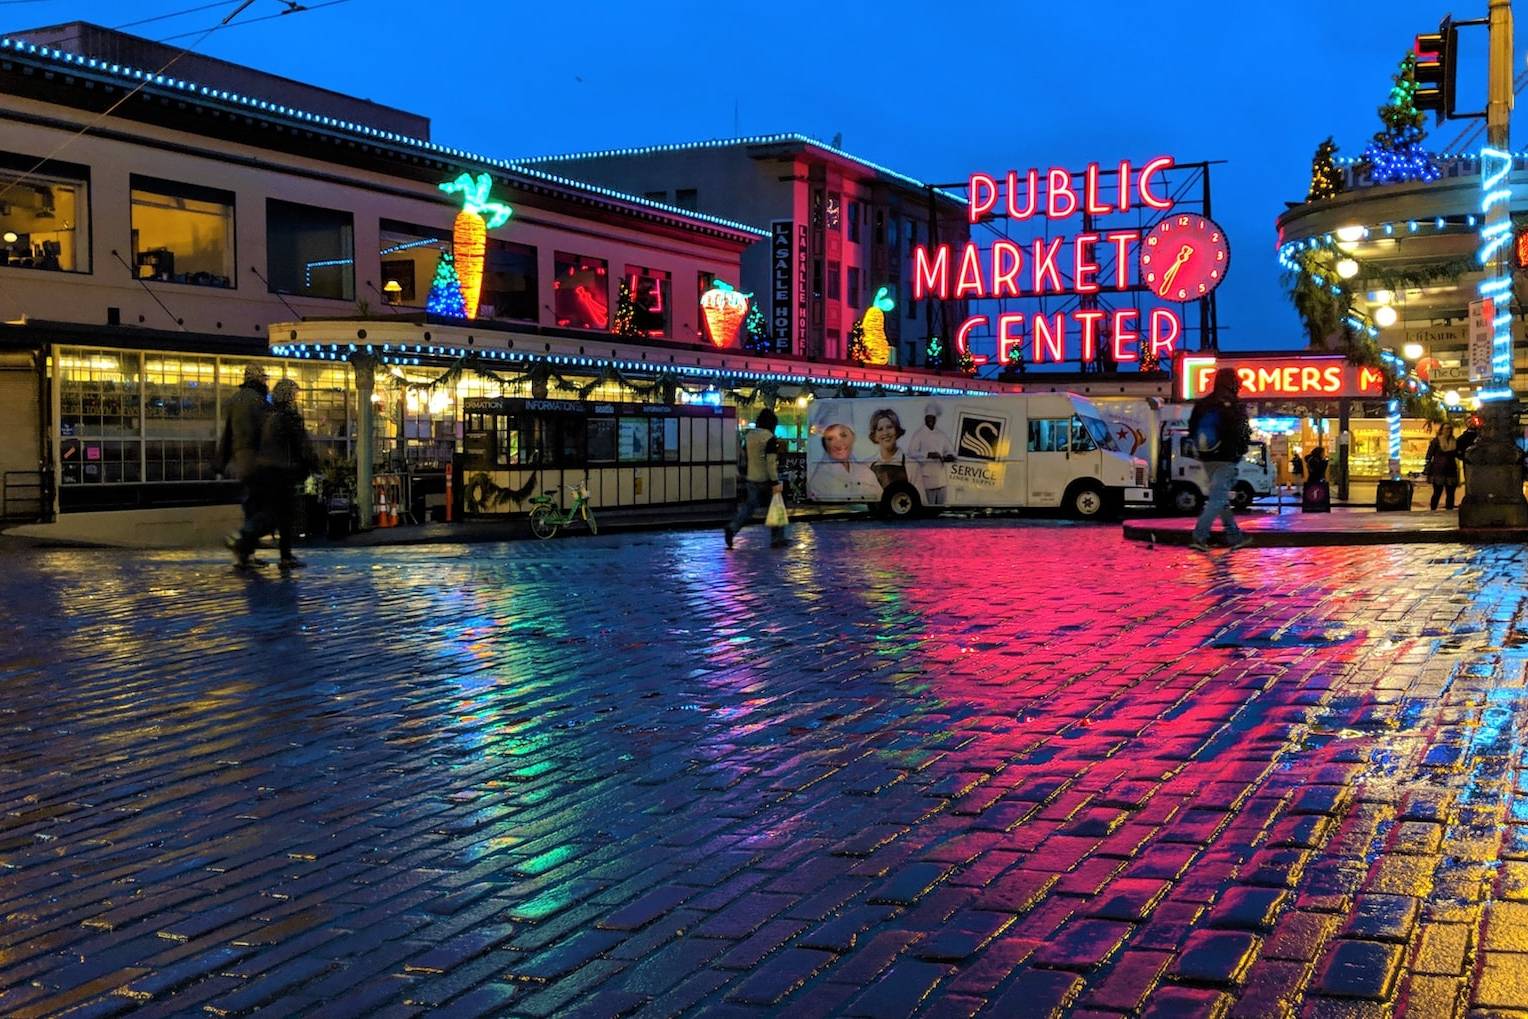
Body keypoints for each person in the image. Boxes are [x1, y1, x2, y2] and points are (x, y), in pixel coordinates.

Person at [250, 378, 318, 569]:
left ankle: (249, 544)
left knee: (274, 513)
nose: (296, 398)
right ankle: (284, 556)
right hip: (284, 471)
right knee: (284, 514)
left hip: (266, 470)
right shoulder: (289, 416)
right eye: (294, 394)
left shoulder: (267, 415)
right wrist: (312, 464)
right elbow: (301, 444)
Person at [1186, 366, 1252, 552]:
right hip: (1227, 457)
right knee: (1217, 498)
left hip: (1207, 457)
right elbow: (1242, 432)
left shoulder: (1204, 403)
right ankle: (1199, 536)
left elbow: (1191, 427)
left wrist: (1200, 449)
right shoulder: (1234, 403)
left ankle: (1234, 536)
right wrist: (1241, 450)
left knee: (1220, 497)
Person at [218, 363, 270, 567]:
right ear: (257, 379)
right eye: (264, 378)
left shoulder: (234, 401)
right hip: (257, 458)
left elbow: (227, 434)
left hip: (239, 458)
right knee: (264, 506)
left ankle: (246, 554)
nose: (266, 382)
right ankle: (240, 540)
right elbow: (266, 432)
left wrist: (222, 461)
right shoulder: (259, 401)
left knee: (251, 504)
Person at [725, 407, 787, 549]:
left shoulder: (749, 436)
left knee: (749, 508)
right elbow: (770, 463)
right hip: (766, 479)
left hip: (752, 478)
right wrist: (775, 482)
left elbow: (744, 456)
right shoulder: (770, 438)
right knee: (777, 508)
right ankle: (777, 538)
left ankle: (732, 527)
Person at [807, 408, 881, 501]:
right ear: (824, 444)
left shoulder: (866, 472)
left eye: (843, 435)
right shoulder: (819, 479)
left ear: (853, 437)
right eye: (830, 438)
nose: (838, 444)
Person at [905, 401, 956, 506]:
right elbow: (911, 452)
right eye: (928, 418)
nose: (930, 421)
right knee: (931, 505)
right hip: (928, 475)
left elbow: (950, 450)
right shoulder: (919, 434)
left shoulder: (941, 434)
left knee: (941, 505)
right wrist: (928, 454)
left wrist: (949, 456)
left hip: (941, 477)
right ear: (925, 419)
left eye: (932, 419)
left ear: (935, 420)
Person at [867, 408, 909, 490]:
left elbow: (919, 499)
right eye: (880, 429)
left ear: (897, 431)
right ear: (875, 436)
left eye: (889, 427)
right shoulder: (867, 465)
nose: (885, 433)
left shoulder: (911, 464)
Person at [1424, 422, 1461, 511]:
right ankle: (1433, 509)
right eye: (1446, 428)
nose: (1448, 430)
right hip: (1438, 470)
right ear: (1442, 430)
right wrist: (1427, 465)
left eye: (1449, 428)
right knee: (1437, 492)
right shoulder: (1436, 441)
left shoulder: (1454, 441)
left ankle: (1449, 510)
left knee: (1451, 493)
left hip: (1451, 469)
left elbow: (1457, 454)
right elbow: (1429, 454)